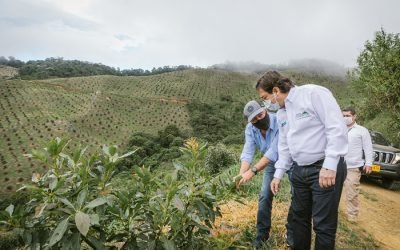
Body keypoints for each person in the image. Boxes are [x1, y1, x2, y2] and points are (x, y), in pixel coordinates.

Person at [256, 71, 348, 250]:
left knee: (323, 224)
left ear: (276, 90)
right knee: (298, 220)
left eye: (265, 97)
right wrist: (278, 174)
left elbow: (336, 127)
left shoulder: (313, 94)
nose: (267, 103)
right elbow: (284, 145)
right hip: (299, 171)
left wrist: (330, 164)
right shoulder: (282, 113)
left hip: (323, 168)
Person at [238, 100, 293, 248]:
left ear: (265, 111)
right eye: (254, 119)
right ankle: (262, 235)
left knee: (297, 195)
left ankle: (292, 233)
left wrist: (253, 171)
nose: (259, 120)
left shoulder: (280, 121)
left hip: (290, 159)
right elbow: (248, 151)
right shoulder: (250, 129)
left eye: (260, 115)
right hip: (270, 164)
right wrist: (241, 174)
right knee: (264, 195)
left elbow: (274, 151)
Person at [342, 107, 373, 222]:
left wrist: (368, 163)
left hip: (353, 167)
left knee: (352, 192)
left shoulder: (362, 130)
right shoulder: (337, 128)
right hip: (337, 166)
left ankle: (352, 215)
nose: (345, 118)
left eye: (347, 116)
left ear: (354, 116)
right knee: (331, 191)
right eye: (343, 116)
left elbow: (368, 148)